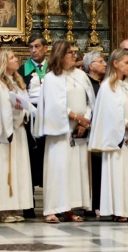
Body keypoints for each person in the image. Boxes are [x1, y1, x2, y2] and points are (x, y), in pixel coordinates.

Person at [33, 40, 94, 223]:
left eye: (74, 52)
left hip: (80, 132)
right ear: (60, 56)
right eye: (70, 53)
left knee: (75, 170)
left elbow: (90, 101)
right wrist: (77, 117)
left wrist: (85, 121)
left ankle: (69, 209)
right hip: (61, 131)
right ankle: (51, 209)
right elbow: (54, 104)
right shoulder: (52, 78)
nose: (74, 56)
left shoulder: (81, 75)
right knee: (58, 170)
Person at [88, 49, 128, 222]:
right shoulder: (107, 87)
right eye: (126, 63)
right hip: (118, 139)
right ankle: (119, 210)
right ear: (115, 63)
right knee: (120, 175)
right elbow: (110, 114)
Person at [0, 48, 34, 223]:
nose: (16, 59)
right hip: (6, 133)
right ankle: (3, 210)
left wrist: (24, 111)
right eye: (12, 57)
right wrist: (9, 128)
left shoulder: (16, 81)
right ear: (4, 62)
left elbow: (25, 104)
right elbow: (2, 110)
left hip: (19, 130)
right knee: (6, 167)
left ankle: (14, 207)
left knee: (18, 169)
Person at [17, 34, 49, 218]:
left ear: (45, 48)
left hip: (50, 117)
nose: (34, 50)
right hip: (31, 116)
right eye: (31, 47)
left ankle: (52, 202)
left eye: (37, 46)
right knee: (29, 158)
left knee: (48, 157)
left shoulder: (53, 68)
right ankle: (29, 205)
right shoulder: (23, 70)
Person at [83, 50, 106, 216]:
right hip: (89, 130)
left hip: (104, 130)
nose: (105, 64)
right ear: (91, 66)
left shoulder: (104, 83)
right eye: (101, 61)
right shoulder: (86, 83)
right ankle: (91, 204)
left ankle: (101, 203)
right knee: (92, 169)